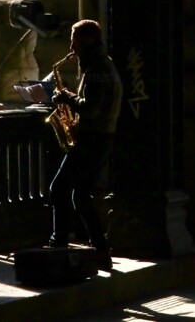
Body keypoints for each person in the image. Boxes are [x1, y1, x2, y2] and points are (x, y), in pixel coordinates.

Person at [48, 19, 122, 271]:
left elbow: (90, 108)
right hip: (101, 140)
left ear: (88, 40)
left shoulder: (97, 69)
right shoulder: (104, 64)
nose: (71, 45)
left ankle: (59, 245)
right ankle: (101, 250)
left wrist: (66, 97)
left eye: (75, 40)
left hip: (92, 140)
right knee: (80, 195)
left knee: (58, 189)